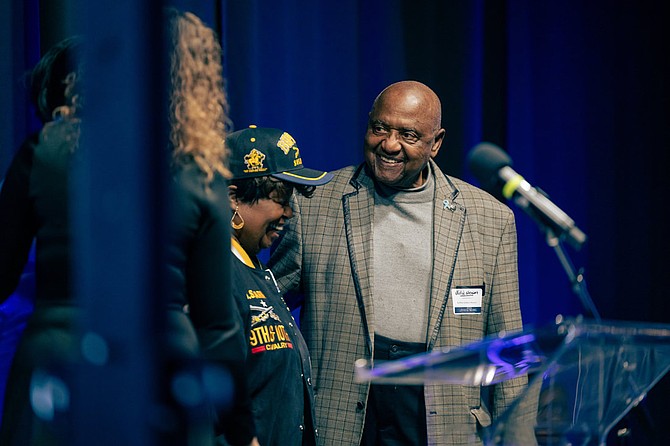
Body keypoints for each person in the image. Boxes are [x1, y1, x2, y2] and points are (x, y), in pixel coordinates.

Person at [268, 80, 529, 445]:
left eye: (407, 134)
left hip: (442, 422)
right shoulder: (314, 203)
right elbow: (266, 309)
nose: (389, 145)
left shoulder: (488, 217)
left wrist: (518, 439)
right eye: (380, 128)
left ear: (435, 143)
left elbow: (508, 348)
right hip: (343, 419)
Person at [221, 125, 333, 446]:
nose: (289, 212)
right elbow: (219, 399)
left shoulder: (256, 268)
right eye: (281, 197)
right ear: (233, 199)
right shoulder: (216, 275)